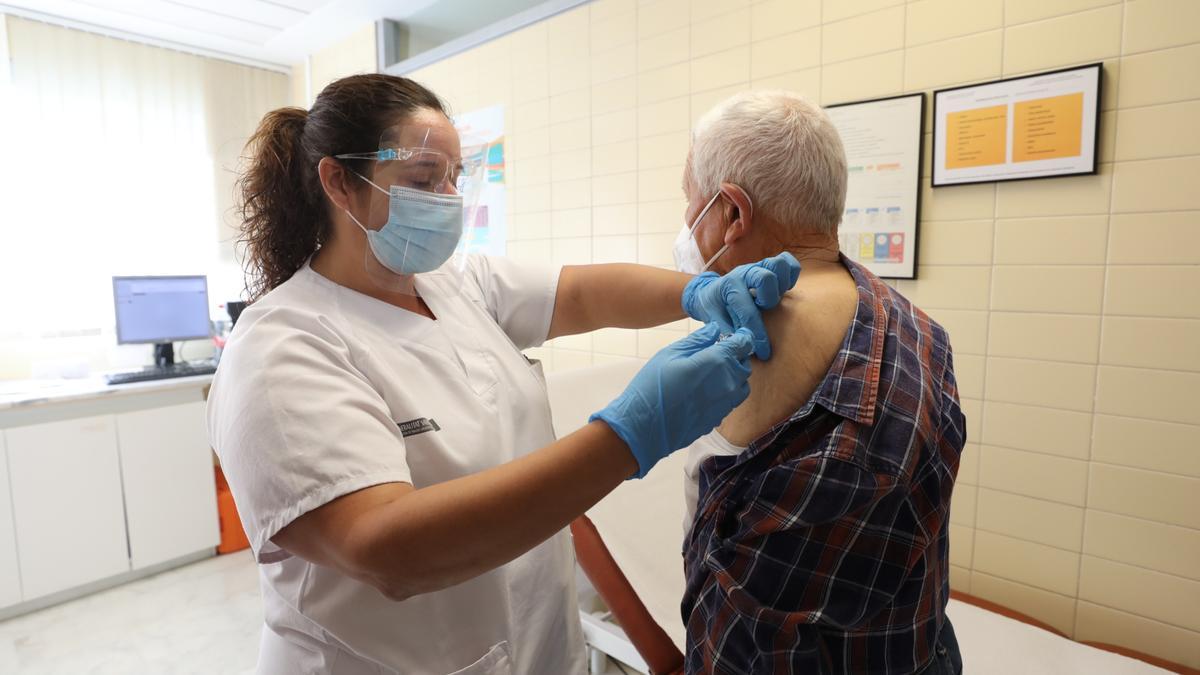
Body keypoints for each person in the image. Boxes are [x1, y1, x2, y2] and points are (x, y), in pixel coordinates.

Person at [206, 73, 801, 675]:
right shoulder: (282, 347)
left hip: (538, 649)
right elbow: (389, 550)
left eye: (453, 178)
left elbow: (583, 295)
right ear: (338, 181)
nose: (445, 198)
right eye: (421, 180)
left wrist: (703, 291)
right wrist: (628, 437)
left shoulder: (457, 287)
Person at [675, 90, 966, 675]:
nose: (685, 226)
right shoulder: (917, 323)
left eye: (690, 204)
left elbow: (741, 611)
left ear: (732, 213)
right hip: (916, 647)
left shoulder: (751, 338)